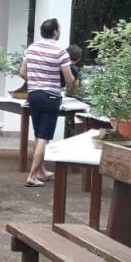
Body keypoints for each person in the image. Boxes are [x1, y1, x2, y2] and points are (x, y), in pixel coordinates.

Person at [19, 18, 75, 187]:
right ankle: (32, 175)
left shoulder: (32, 48)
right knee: (44, 137)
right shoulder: (60, 52)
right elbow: (69, 79)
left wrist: (37, 81)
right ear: (55, 32)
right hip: (51, 96)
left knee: (38, 134)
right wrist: (70, 79)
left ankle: (41, 171)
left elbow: (22, 72)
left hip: (33, 95)